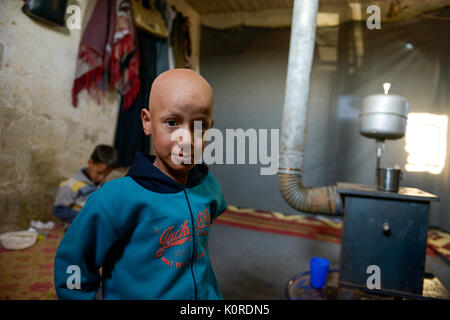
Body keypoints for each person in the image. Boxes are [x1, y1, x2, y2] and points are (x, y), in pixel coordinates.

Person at [54, 69, 227, 300]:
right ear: (147, 122)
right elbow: (75, 262)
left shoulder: (209, 185)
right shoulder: (112, 200)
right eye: (172, 122)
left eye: (199, 126)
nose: (186, 139)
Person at [53, 145, 117, 226]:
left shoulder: (100, 184)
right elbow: (59, 210)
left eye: (106, 175)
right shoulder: (71, 185)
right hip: (76, 227)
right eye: (99, 173)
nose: (102, 178)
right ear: (90, 162)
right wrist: (86, 218)